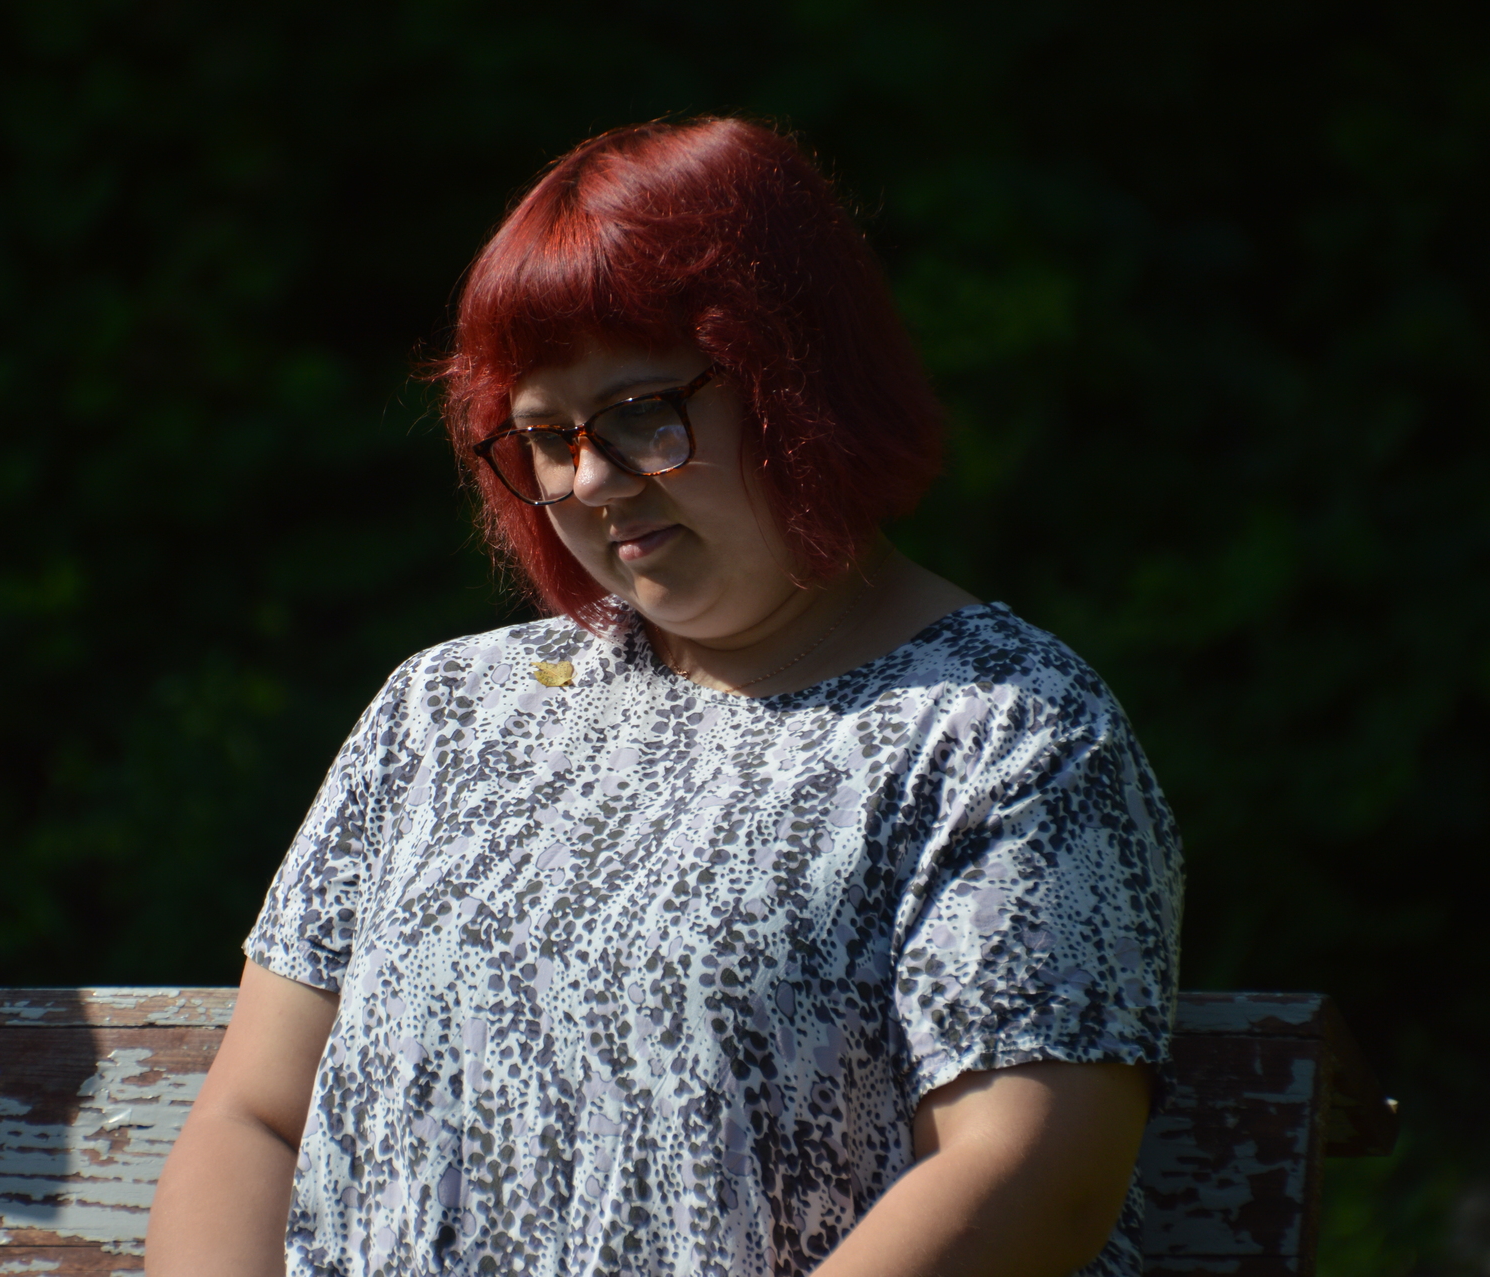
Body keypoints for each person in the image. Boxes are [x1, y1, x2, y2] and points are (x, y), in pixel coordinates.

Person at [147, 117, 1182, 1277]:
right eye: (546, 435)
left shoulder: (1004, 728)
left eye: (644, 409)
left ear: (798, 380)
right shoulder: (443, 711)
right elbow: (254, 1114)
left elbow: (1031, 1166)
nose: (591, 478)